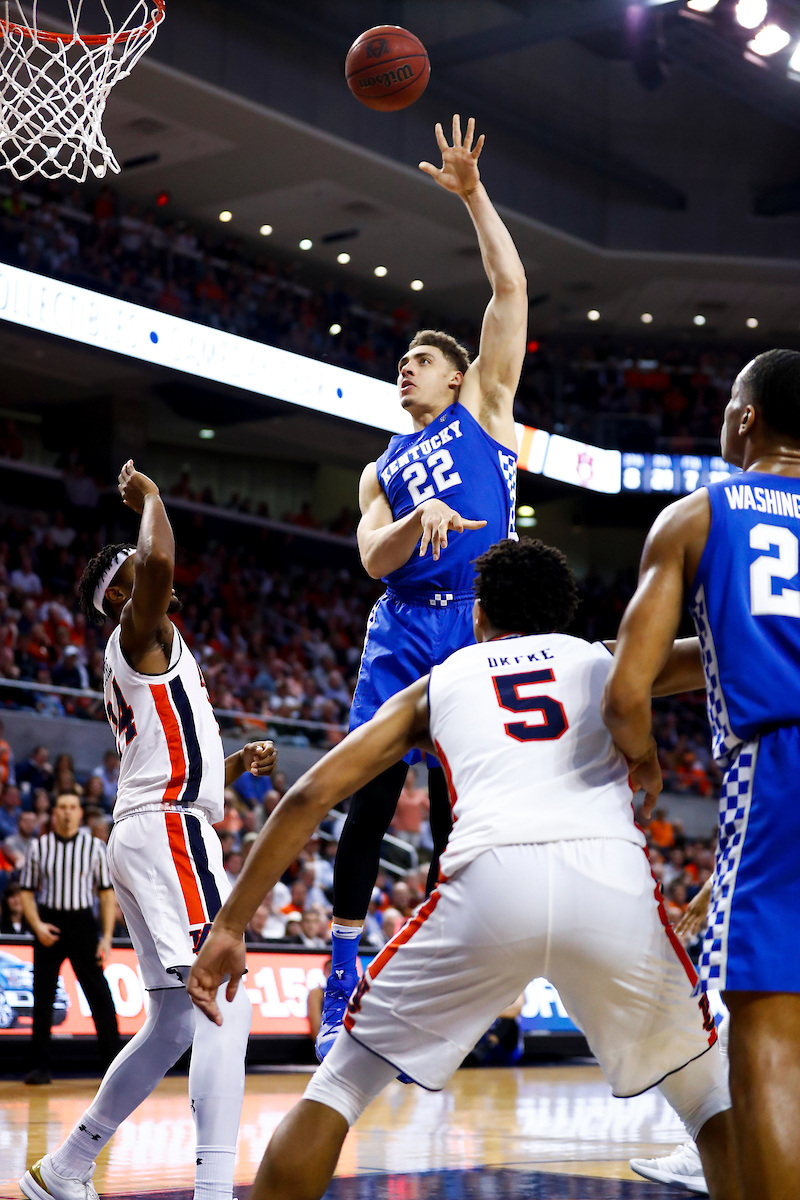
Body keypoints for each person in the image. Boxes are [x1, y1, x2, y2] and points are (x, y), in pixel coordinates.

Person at [188, 538, 738, 1200]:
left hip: (488, 884)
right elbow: (718, 657)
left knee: (337, 1089)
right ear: (563, 615)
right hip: (610, 886)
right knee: (712, 1104)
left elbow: (309, 796)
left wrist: (229, 926)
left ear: (478, 618)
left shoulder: (440, 682)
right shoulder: (601, 662)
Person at [323, 114, 527, 1062]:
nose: (404, 366)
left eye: (422, 360)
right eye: (401, 361)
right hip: (401, 626)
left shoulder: (487, 409)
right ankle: (339, 985)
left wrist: (472, 193)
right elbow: (372, 557)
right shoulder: (384, 466)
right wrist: (418, 522)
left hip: (478, 632)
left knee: (462, 817)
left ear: (458, 377)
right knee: (368, 803)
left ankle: (461, 990)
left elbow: (511, 286)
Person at [20, 461, 277, 1200]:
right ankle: (216, 1190)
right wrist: (154, 500)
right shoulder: (141, 628)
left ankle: (65, 1166)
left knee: (172, 1025)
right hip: (165, 830)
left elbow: (166, 757)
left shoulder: (151, 652)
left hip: (149, 825)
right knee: (223, 994)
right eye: (136, 572)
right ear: (125, 595)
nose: (153, 572)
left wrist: (231, 761)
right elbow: (160, 558)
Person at [601, 348, 800, 1200]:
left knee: (769, 1035)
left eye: (727, 404)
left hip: (778, 761)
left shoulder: (697, 516)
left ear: (747, 416)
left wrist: (641, 753)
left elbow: (625, 692)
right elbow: (709, 655)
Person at [19, 791, 119, 1085]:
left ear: (79, 813)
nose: (66, 812)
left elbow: (105, 894)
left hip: (82, 924)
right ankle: (40, 1066)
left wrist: (107, 936)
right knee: (43, 996)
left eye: (72, 807)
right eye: (61, 807)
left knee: (99, 994)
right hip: (49, 921)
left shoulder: (95, 847)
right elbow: (26, 890)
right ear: (54, 812)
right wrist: (37, 925)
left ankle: (113, 1065)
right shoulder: (39, 847)